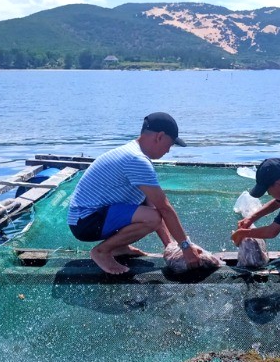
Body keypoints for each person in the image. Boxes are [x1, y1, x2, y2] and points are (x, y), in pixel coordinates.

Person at [67, 112, 202, 274]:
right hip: (85, 221)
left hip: (89, 217)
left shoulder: (134, 153)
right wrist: (185, 247)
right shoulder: (136, 160)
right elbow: (164, 209)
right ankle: (102, 251)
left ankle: (119, 247)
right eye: (170, 144)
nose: (168, 150)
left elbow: (151, 204)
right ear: (159, 136)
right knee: (151, 218)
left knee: (148, 210)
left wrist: (170, 246)